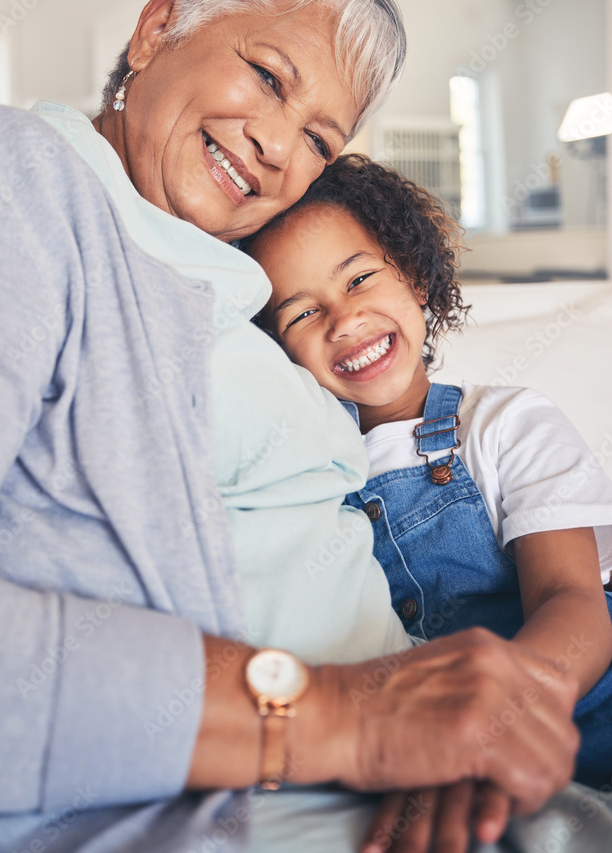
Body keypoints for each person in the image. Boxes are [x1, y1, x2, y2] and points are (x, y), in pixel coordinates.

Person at [0, 0, 579, 853]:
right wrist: (345, 717)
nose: (281, 147)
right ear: (157, 26)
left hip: (431, 781)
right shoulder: (5, 176)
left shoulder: (227, 273)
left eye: (321, 139)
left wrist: (438, 736)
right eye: (267, 77)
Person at [244, 152, 612, 798]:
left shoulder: (503, 423)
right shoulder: (299, 478)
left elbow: (570, 600)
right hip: (440, 754)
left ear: (414, 276)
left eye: (358, 279)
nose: (343, 319)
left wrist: (499, 725)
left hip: (579, 705)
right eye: (301, 313)